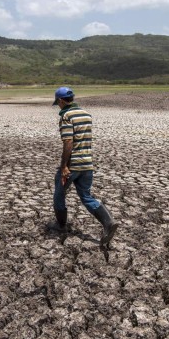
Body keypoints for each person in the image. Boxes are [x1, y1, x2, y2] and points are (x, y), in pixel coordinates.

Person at [50, 86, 119, 246]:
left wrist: (64, 166)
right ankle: (108, 222)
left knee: (59, 194)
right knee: (86, 196)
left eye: (58, 103)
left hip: (73, 165)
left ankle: (60, 226)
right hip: (87, 164)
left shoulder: (66, 116)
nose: (58, 106)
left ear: (61, 101)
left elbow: (68, 142)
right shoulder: (86, 114)